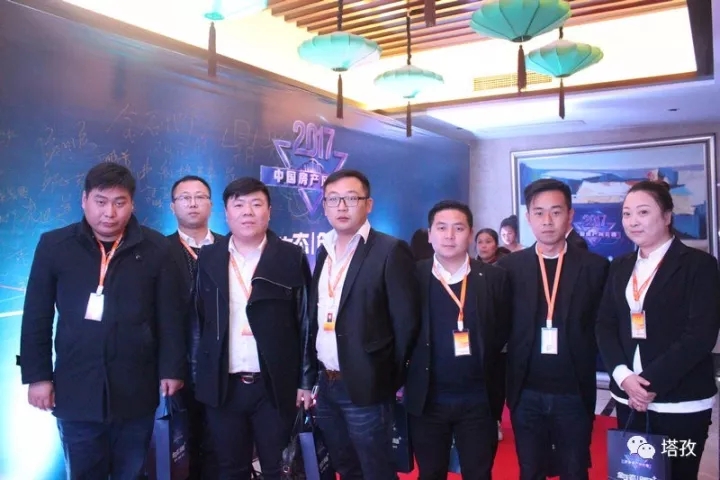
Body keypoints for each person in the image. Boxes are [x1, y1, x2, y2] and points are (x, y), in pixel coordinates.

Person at [20, 162, 186, 479]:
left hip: (135, 387)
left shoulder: (156, 248)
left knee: (131, 471)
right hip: (75, 387)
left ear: (132, 204)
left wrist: (172, 369)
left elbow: (170, 315)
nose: (109, 213)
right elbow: (36, 316)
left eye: (119, 202)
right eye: (100, 201)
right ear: (84, 200)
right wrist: (38, 376)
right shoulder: (55, 246)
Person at [596, 180, 720, 479]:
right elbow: (605, 324)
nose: (633, 221)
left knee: (679, 472)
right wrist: (623, 377)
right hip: (628, 397)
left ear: (666, 216)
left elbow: (700, 335)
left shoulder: (698, 265)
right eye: (627, 214)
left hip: (681, 400)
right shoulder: (620, 266)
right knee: (634, 474)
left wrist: (648, 383)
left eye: (643, 212)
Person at [193, 177, 314, 480]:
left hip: (274, 386)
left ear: (269, 211)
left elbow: (305, 321)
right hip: (224, 384)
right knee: (229, 468)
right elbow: (197, 320)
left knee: (278, 468)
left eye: (256, 204)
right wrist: (198, 375)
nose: (248, 212)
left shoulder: (290, 257)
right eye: (239, 205)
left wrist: (305, 381)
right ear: (226, 213)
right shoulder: (208, 257)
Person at [311, 169, 420, 480]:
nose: (342, 206)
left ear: (368, 204)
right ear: (325, 206)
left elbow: (405, 323)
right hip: (326, 383)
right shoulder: (324, 250)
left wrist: (387, 378)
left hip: (368, 384)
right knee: (345, 466)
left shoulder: (390, 250)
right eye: (333, 199)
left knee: (377, 469)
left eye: (351, 198)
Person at [498, 178, 609, 480]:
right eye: (539, 212)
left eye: (556, 212)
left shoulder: (594, 267)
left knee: (574, 470)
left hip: (573, 391)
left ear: (570, 215)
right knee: (530, 470)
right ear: (529, 217)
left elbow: (603, 326)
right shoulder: (509, 269)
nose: (547, 221)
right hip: (526, 392)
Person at [404, 200, 510, 480]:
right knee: (430, 473)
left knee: (479, 473)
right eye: (441, 228)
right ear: (429, 234)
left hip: (478, 399)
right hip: (428, 399)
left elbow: (502, 330)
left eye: (458, 228)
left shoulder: (494, 278)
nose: (449, 236)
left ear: (470, 233)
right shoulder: (412, 276)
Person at [167, 175, 221, 479]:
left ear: (211, 205)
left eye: (200, 197)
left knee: (220, 449)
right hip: (178, 369)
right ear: (173, 206)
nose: (192, 203)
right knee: (180, 451)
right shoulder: (158, 250)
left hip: (224, 367)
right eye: (185, 197)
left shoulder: (230, 246)